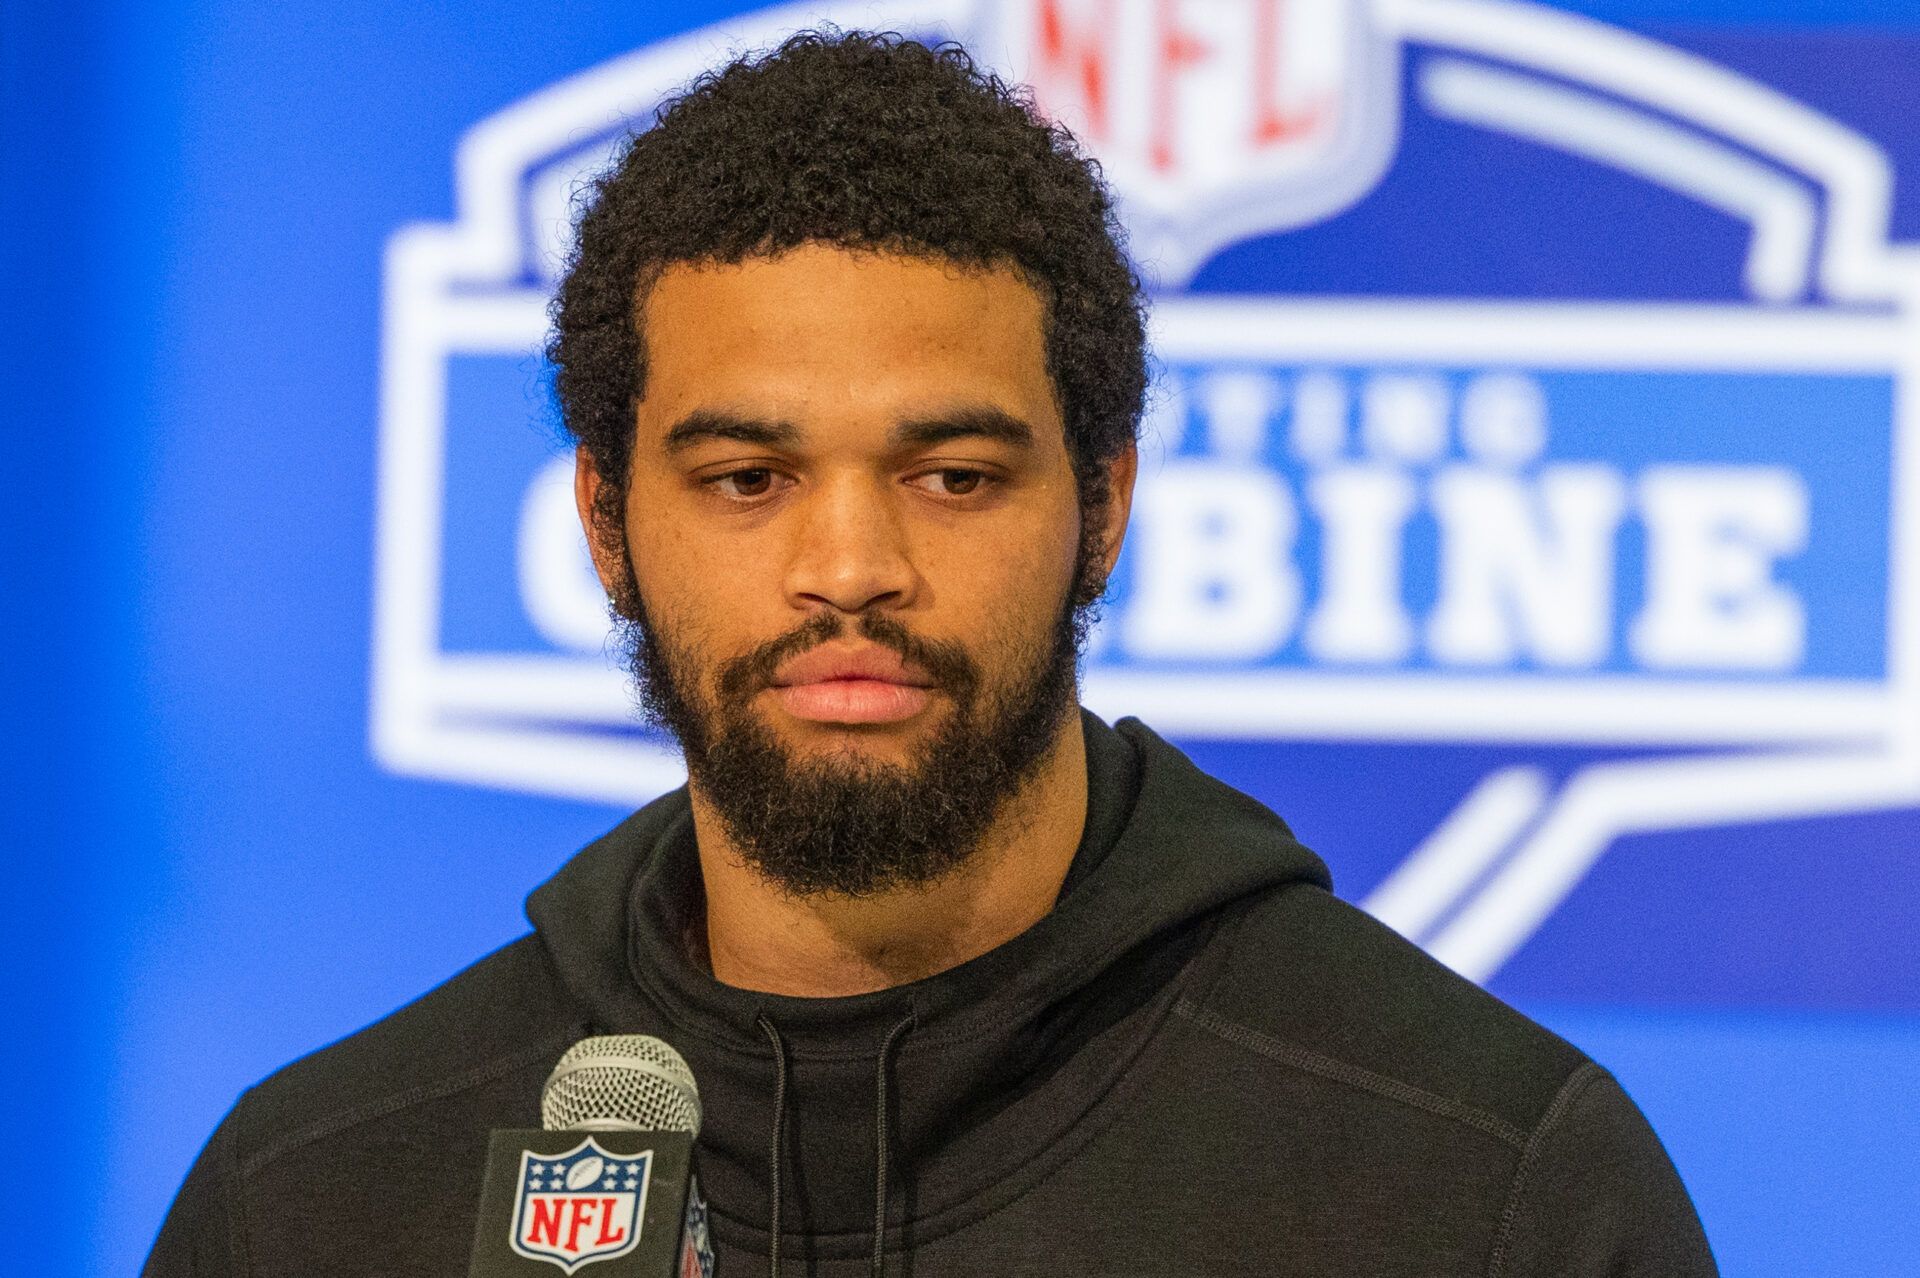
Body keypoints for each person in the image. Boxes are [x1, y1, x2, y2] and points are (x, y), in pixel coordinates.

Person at [146, 31, 1716, 1277]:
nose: (850, 569)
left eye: (952, 476)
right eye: (747, 478)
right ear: (607, 522)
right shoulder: (316, 1197)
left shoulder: (1487, 1185)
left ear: (1101, 507)